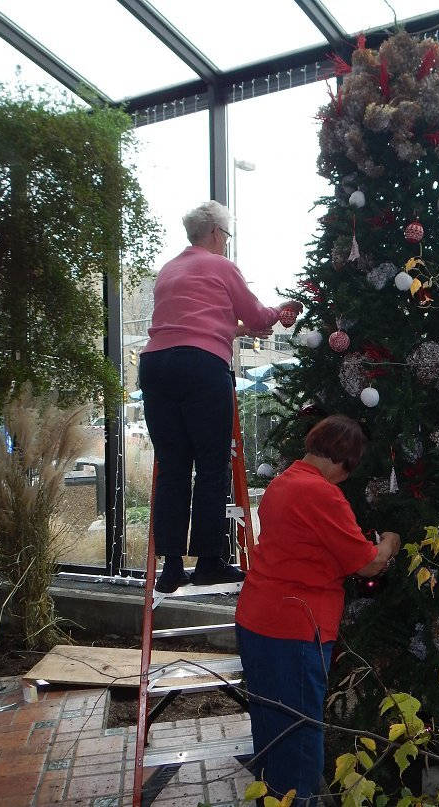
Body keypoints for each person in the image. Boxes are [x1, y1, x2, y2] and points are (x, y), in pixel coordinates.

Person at [235, 415, 400, 806]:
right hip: (294, 629)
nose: (347, 477)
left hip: (257, 619)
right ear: (344, 460)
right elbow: (367, 563)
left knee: (270, 728)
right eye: (351, 468)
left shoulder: (283, 482)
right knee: (300, 737)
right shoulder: (321, 493)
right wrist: (390, 543)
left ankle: (271, 798)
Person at [139, 200, 302, 593]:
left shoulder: (170, 270)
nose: (226, 242)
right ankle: (211, 560)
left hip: (156, 365)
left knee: (174, 464)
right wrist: (277, 312)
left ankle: (171, 566)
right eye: (226, 235)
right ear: (215, 233)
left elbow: (194, 325)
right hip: (201, 368)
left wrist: (241, 329)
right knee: (212, 465)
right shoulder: (220, 266)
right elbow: (259, 316)